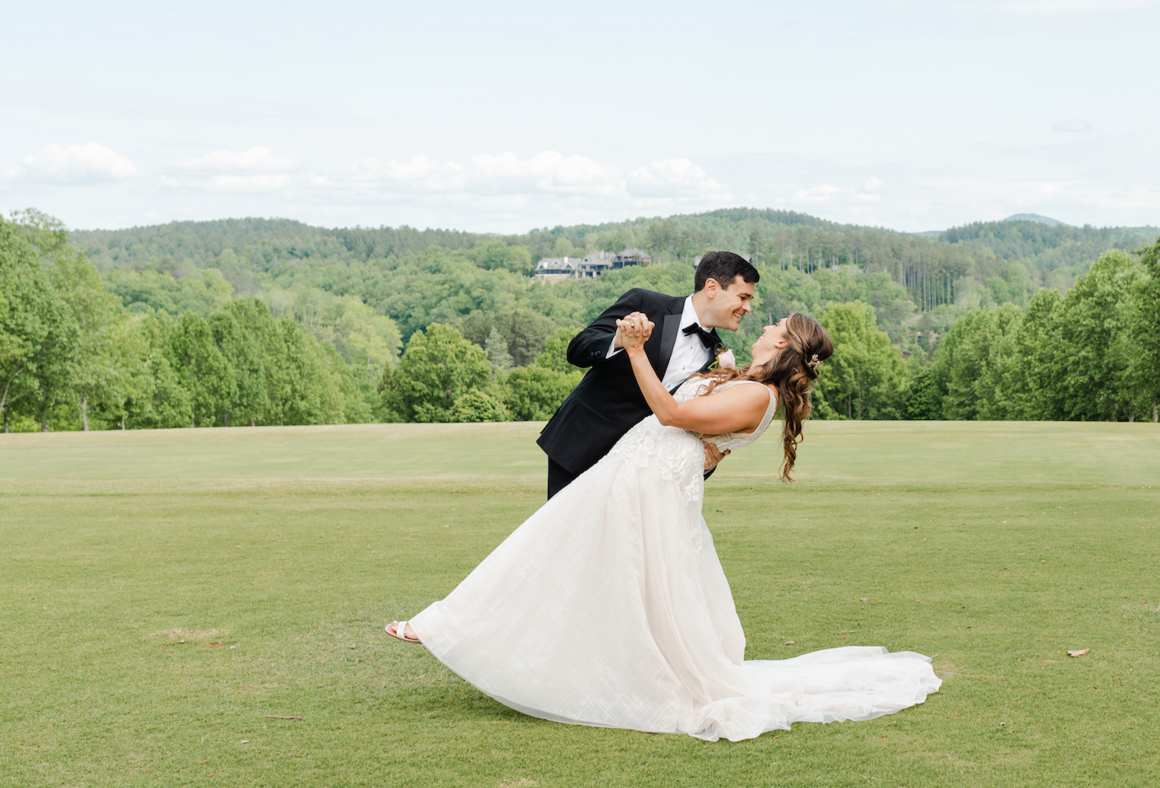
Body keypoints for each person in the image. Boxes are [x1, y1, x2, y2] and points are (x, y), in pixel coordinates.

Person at [384, 313, 941, 742]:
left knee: (553, 550)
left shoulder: (757, 394)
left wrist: (633, 352)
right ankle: (472, 632)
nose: (765, 323)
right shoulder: (742, 377)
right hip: (637, 476)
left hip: (649, 485)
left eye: (775, 325)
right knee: (559, 552)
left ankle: (448, 626)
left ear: (785, 344)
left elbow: (672, 416)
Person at [536, 250, 758, 499]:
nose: (747, 308)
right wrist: (618, 340)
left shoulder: (719, 357)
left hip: (639, 471)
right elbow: (578, 349)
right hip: (581, 446)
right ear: (712, 287)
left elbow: (692, 425)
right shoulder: (644, 302)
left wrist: (708, 463)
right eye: (743, 297)